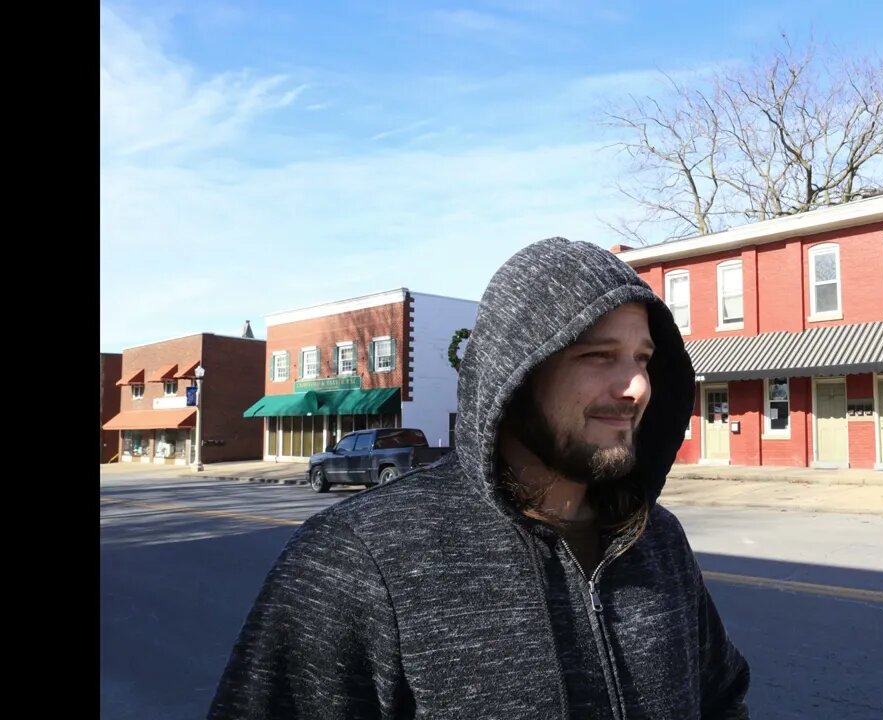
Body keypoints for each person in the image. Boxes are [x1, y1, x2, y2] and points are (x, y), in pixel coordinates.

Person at [208, 237, 751, 719]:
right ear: (515, 376)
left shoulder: (658, 541)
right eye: (599, 356)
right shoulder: (358, 559)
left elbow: (722, 700)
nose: (636, 387)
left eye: (643, 358)